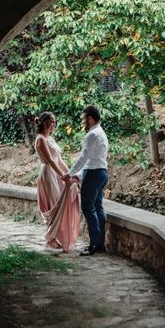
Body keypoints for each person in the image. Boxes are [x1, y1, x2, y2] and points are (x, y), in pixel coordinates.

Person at [62, 106, 109, 256]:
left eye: (84, 119)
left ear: (91, 118)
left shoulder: (92, 134)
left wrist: (69, 174)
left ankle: (94, 244)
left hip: (94, 174)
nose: (83, 122)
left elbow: (84, 157)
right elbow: (93, 159)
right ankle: (100, 243)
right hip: (102, 172)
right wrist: (80, 175)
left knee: (88, 208)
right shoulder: (101, 133)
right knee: (98, 207)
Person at [34, 112, 80, 252]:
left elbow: (59, 160)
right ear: (44, 122)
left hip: (56, 173)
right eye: (51, 121)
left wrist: (70, 174)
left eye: (55, 122)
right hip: (48, 174)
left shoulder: (51, 139)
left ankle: (56, 237)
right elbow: (50, 161)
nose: (53, 124)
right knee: (54, 203)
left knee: (60, 202)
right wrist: (64, 177)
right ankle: (51, 239)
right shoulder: (41, 139)